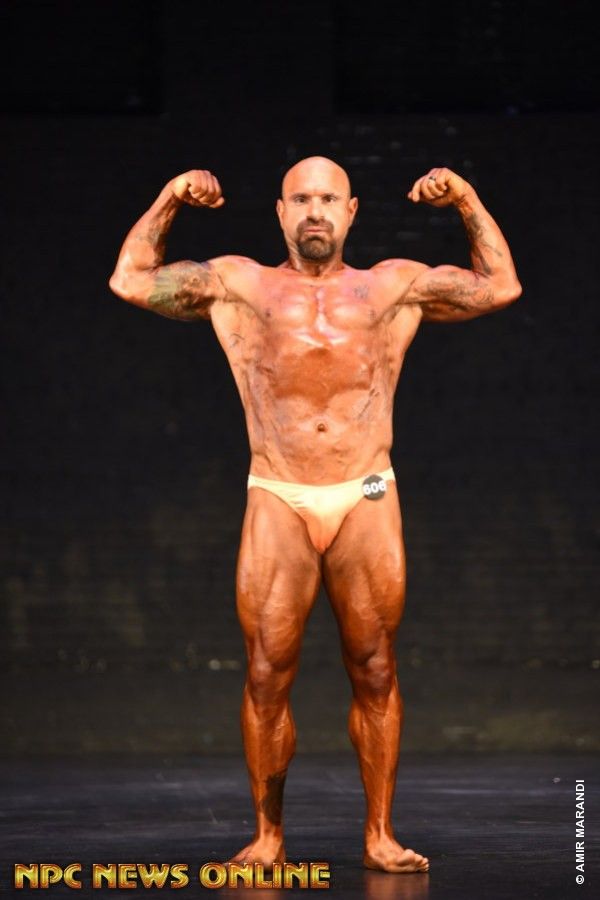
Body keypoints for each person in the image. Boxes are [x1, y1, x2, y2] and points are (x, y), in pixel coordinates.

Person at [109, 156, 521, 874]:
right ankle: (268, 837)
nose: (315, 211)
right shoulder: (240, 285)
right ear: (280, 212)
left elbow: (500, 286)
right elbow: (131, 279)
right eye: (301, 199)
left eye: (328, 199)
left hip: (366, 490)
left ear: (351, 211)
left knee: (376, 668)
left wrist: (466, 197)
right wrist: (172, 196)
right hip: (280, 492)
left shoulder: (390, 286)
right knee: (267, 673)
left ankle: (380, 835)